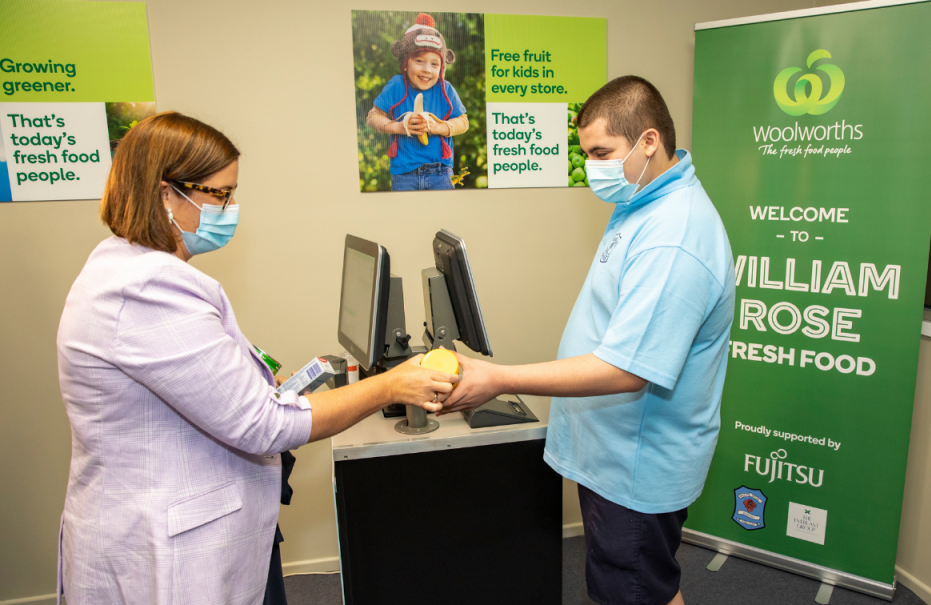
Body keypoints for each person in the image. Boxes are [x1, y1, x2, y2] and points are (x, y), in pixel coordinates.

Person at [56, 111, 458, 605]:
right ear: (166, 194)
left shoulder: (130, 266)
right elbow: (263, 426)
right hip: (165, 551)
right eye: (219, 195)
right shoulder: (147, 288)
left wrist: (259, 378)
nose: (230, 208)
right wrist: (389, 387)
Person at [442, 76, 736, 605]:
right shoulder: (643, 201)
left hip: (636, 463)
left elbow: (628, 369)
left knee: (632, 589)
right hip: (611, 447)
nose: (592, 167)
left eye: (602, 152)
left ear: (649, 141)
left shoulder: (675, 234)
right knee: (640, 584)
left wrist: (501, 378)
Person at [365, 12, 469, 191]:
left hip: (441, 171)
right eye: (419, 61)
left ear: (442, 68)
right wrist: (398, 127)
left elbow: (463, 122)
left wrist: (437, 127)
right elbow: (373, 117)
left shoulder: (445, 88)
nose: (427, 69)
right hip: (404, 174)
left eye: (434, 64)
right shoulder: (396, 85)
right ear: (405, 63)